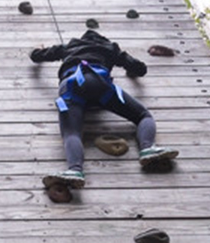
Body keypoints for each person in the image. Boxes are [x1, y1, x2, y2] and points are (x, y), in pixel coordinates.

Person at [30, 30, 178, 189]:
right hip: (100, 84)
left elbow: (36, 56)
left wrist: (38, 48)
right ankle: (148, 148)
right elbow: (140, 68)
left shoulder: (69, 46)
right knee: (143, 116)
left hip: (70, 86)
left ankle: (75, 170)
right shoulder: (110, 48)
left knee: (71, 133)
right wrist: (131, 71)